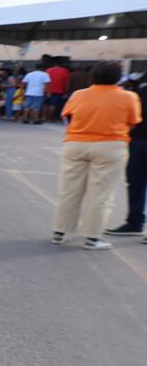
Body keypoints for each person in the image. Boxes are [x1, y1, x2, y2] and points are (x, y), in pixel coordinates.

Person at [51, 63, 142, 249]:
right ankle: (92, 237)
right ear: (118, 78)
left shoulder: (78, 94)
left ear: (92, 76)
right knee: (101, 193)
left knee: (69, 190)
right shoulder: (129, 97)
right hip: (111, 146)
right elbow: (133, 122)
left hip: (75, 144)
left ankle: (60, 231)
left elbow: (67, 116)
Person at [105, 73, 147, 239]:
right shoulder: (141, 82)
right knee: (135, 183)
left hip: (139, 140)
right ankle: (134, 222)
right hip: (139, 140)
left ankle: (135, 222)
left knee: (136, 183)